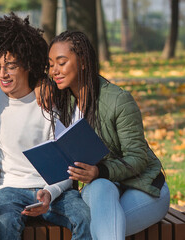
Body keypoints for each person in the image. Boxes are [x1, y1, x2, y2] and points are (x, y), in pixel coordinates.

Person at [0, 13, 92, 240]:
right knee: (4, 223)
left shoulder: (51, 100)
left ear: (28, 64)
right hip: (7, 190)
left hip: (53, 189)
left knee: (85, 218)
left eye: (10, 66)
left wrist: (49, 192)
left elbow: (67, 164)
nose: (2, 74)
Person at [43, 31, 170, 239]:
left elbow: (138, 158)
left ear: (83, 62)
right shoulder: (64, 102)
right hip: (101, 189)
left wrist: (99, 171)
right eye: (50, 64)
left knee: (99, 227)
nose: (54, 71)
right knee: (101, 189)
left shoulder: (119, 101)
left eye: (61, 62)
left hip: (145, 188)